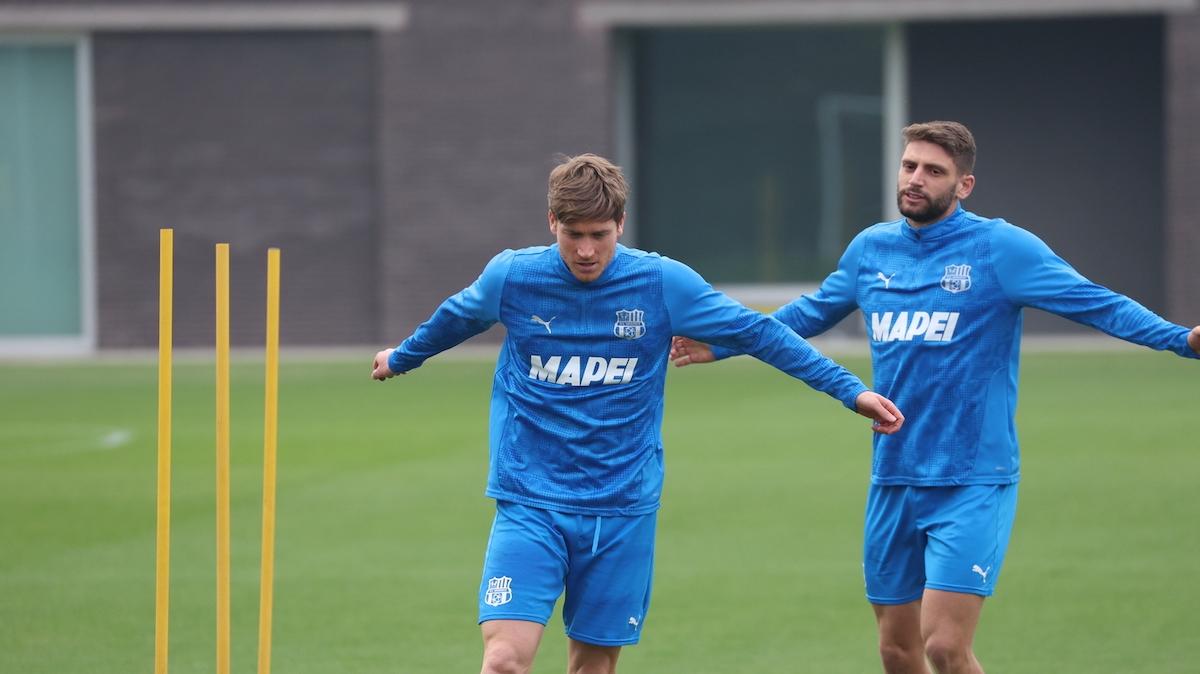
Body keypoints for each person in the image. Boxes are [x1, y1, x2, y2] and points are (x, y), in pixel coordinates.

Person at [670, 121, 1200, 674]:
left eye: (933, 171)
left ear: (964, 185)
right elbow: (807, 314)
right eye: (909, 166)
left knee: (945, 647)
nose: (915, 179)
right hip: (894, 476)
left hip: (972, 478)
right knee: (896, 652)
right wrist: (724, 345)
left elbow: (1096, 302)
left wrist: (1181, 339)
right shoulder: (871, 250)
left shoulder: (1001, 249)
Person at [371, 153, 905, 674]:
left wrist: (849, 391)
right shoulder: (512, 277)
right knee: (505, 660)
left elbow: (761, 334)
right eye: (573, 233)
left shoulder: (661, 283)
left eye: (599, 235)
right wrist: (402, 356)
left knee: (592, 667)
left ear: (621, 225)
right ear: (551, 221)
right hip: (530, 500)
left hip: (621, 507)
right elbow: (456, 317)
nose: (585, 250)